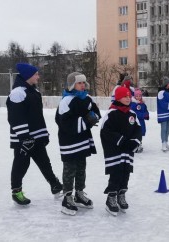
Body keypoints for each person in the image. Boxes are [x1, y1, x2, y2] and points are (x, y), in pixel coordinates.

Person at [6, 63, 62, 205]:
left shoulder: (34, 92)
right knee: (21, 164)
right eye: (36, 74)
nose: (38, 76)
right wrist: (24, 137)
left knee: (44, 162)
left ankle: (55, 185)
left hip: (36, 136)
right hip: (23, 139)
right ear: (28, 76)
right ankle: (16, 191)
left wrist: (43, 134)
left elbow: (37, 117)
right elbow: (15, 117)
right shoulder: (18, 92)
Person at [55, 72, 101, 215]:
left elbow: (96, 112)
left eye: (83, 82)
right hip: (69, 141)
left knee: (81, 167)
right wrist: (86, 120)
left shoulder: (87, 98)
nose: (82, 85)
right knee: (70, 169)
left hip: (82, 139)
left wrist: (92, 117)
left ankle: (79, 194)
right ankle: (67, 198)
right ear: (71, 85)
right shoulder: (66, 101)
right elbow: (63, 122)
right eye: (79, 83)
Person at [100, 86, 142, 216]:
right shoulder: (111, 113)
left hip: (127, 152)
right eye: (125, 96)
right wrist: (121, 140)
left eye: (129, 96)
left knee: (125, 173)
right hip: (115, 151)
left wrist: (135, 142)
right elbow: (105, 131)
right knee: (116, 173)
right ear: (118, 98)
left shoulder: (132, 114)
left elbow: (138, 130)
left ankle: (121, 194)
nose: (128, 98)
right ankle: (111, 197)